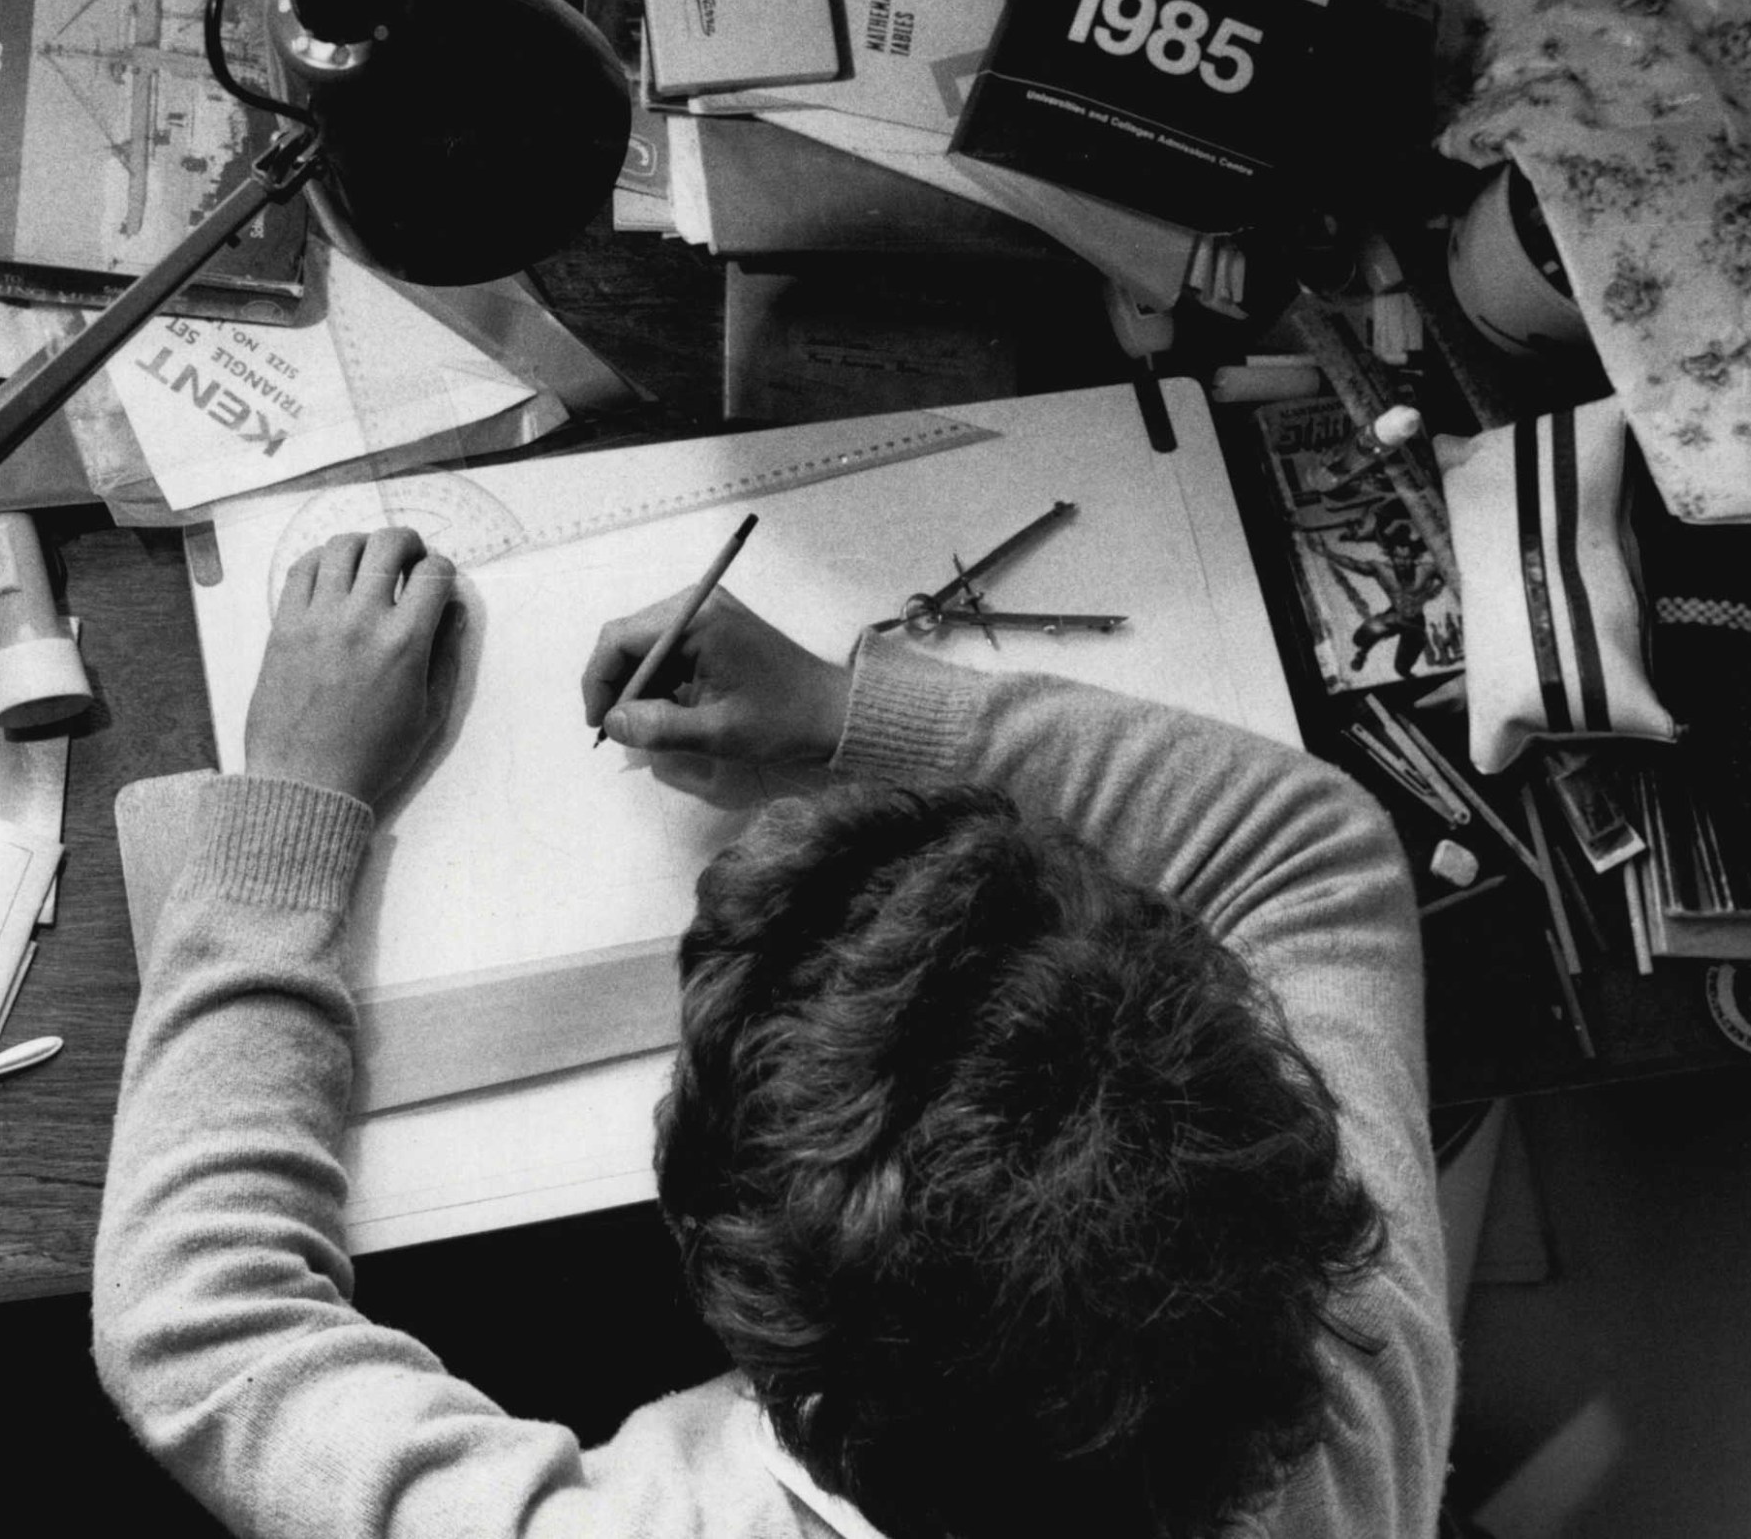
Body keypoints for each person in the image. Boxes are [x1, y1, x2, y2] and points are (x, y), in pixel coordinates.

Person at [93, 526, 1453, 1538]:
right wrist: (841, 712)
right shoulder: (1353, 1362)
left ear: (762, 1338)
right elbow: (1309, 850)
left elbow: (197, 1318)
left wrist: (290, 807)